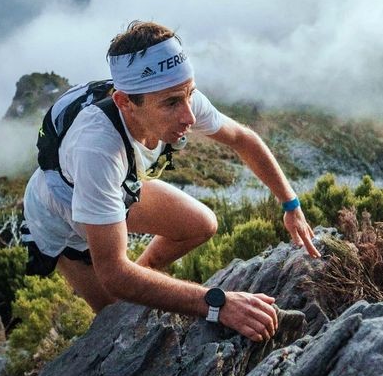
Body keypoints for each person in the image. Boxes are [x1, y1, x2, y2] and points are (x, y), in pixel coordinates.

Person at [22, 21, 320, 343]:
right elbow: (114, 273)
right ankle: (131, 296)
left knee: (201, 224)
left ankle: (144, 276)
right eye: (172, 103)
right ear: (125, 102)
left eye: (189, 94)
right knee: (114, 315)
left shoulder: (175, 94)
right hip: (60, 212)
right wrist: (217, 304)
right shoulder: (97, 148)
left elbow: (242, 139)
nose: (189, 116)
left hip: (115, 186)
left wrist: (291, 205)